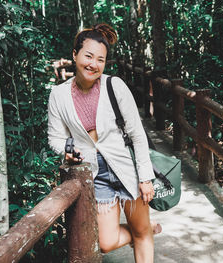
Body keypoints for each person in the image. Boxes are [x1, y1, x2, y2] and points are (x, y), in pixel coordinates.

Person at [47, 23, 161, 262]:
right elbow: (55, 138)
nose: (93, 64)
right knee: (106, 242)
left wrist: (146, 177)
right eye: (88, 56)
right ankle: (147, 231)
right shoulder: (58, 95)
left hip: (126, 166)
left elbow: (138, 134)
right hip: (94, 172)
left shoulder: (114, 85)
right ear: (75, 54)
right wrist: (68, 150)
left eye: (100, 59)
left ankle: (144, 232)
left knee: (141, 231)